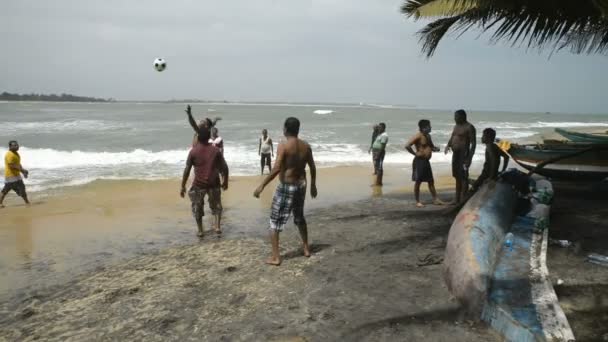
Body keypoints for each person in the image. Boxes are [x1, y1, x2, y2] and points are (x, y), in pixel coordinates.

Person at [253, 117, 317, 266]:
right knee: (299, 217)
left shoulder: (284, 146)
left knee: (274, 221)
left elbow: (276, 169)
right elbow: (312, 167)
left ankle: (276, 257)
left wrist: (262, 185)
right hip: (301, 185)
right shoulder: (306, 146)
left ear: (285, 129)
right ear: (298, 129)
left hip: (287, 186)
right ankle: (306, 248)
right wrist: (313, 185)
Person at [180, 126, 229, 237]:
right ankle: (217, 227)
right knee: (217, 206)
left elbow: (187, 170)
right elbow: (225, 167)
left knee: (197, 207)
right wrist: (225, 181)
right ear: (208, 138)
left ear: (198, 138)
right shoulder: (215, 150)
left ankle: (200, 230)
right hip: (214, 183)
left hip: (198, 184)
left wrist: (182, 186)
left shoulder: (193, 152)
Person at [405, 120, 443, 208]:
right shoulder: (418, 136)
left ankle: (435, 199)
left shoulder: (428, 136)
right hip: (419, 161)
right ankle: (417, 201)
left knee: (431, 181)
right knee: (418, 181)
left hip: (426, 161)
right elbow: (407, 145)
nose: (431, 127)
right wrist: (415, 153)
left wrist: (435, 149)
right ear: (424, 128)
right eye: (429, 126)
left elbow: (431, 146)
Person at [445, 110, 476, 204]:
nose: (455, 118)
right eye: (455, 116)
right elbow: (453, 136)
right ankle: (457, 198)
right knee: (456, 176)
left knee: (463, 177)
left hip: (464, 155)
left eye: (456, 116)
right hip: (456, 155)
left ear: (463, 116)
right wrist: (448, 145)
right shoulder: (456, 126)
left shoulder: (469, 127)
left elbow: (473, 144)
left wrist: (469, 158)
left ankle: (463, 199)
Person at [1, 140, 30, 208]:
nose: (17, 146)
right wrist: (22, 170)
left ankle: (27, 202)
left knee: (9, 189)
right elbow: (11, 165)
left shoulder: (16, 153)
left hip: (16, 175)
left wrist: (23, 172)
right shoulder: (9, 154)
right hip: (11, 176)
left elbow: (18, 164)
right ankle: (27, 202)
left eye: (17, 145)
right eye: (14, 145)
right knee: (9, 190)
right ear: (10, 146)